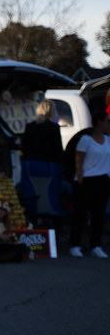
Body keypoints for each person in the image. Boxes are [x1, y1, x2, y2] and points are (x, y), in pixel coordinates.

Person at [69, 109, 110, 258]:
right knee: (81, 213)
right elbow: (78, 160)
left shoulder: (108, 140)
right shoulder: (86, 139)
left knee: (98, 214)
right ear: (99, 123)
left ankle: (96, 245)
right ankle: (75, 244)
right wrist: (80, 178)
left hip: (103, 179)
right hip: (87, 180)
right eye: (107, 121)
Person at [21, 99, 63, 163]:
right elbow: (58, 149)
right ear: (52, 112)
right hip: (49, 163)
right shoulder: (54, 127)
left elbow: (24, 147)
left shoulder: (29, 126)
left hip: (32, 162)